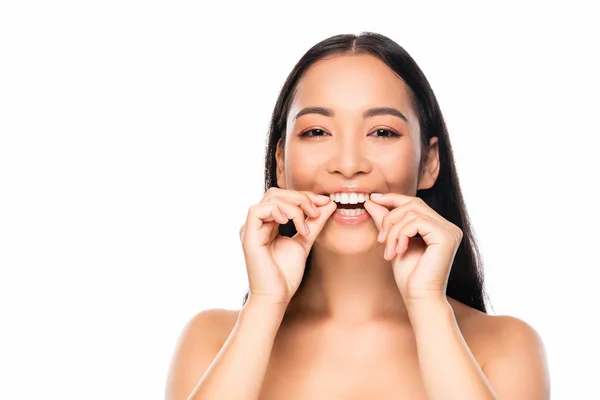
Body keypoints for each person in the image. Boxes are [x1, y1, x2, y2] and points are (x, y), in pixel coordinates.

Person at [165, 32, 550, 399]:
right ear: (280, 163)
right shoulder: (211, 341)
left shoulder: (505, 347)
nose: (348, 165)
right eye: (317, 131)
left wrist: (428, 306)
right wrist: (265, 303)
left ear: (429, 162)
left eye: (382, 132)